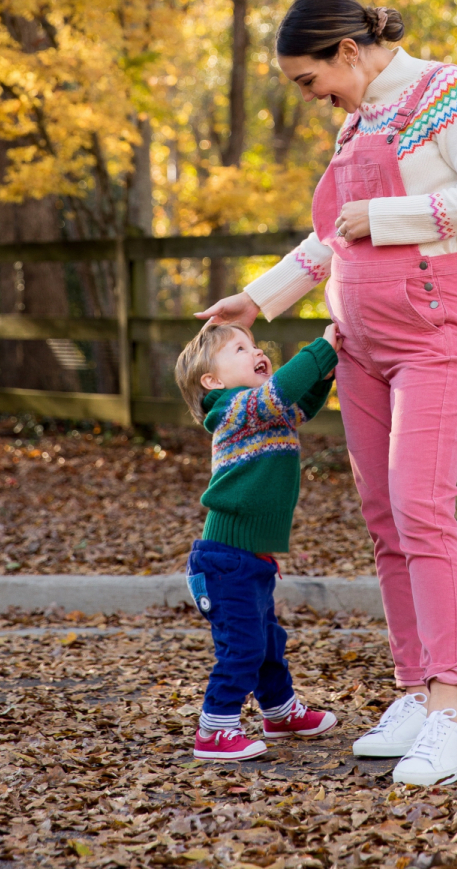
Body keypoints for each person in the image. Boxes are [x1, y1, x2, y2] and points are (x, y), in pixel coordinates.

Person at [196, 0, 457, 787]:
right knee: (382, 515)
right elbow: (330, 239)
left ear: (344, 50)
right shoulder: (356, 121)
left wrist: (388, 213)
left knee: (420, 506)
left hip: (435, 332)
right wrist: (258, 299)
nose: (311, 99)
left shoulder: (440, 89)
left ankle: (449, 711)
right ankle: (411, 689)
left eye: (310, 81)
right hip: (360, 348)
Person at [174, 317, 340, 762]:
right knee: (243, 646)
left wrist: (326, 371)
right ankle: (215, 728)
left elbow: (298, 405)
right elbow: (279, 393)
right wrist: (320, 351)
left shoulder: (264, 410)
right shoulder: (232, 409)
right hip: (224, 559)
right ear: (212, 380)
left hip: (254, 557)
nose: (256, 352)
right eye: (240, 350)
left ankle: (279, 711)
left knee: (267, 642)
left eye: (254, 345)